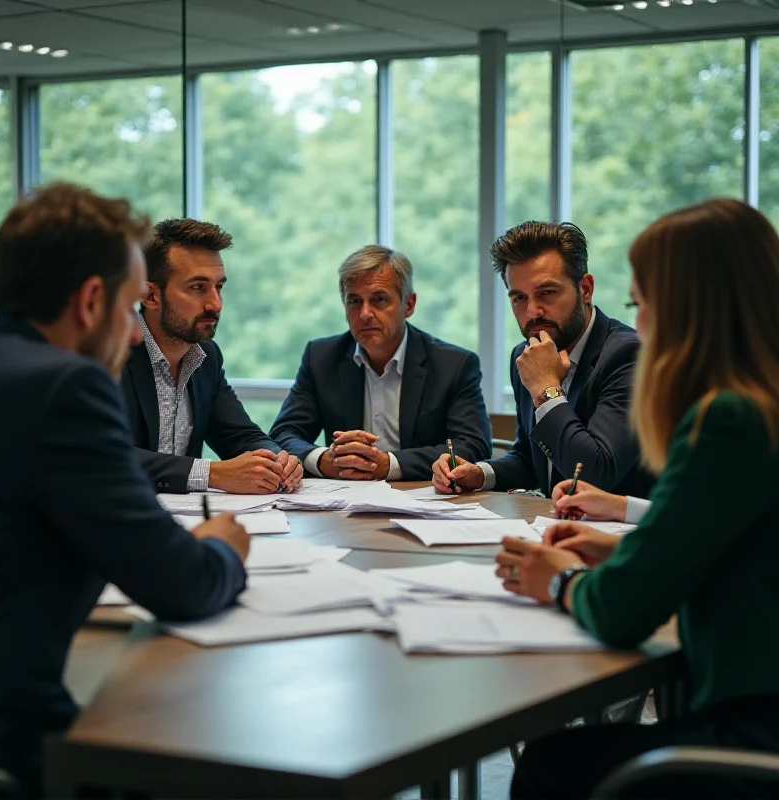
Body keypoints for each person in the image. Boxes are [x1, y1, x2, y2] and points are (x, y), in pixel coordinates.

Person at [495, 198, 779, 800]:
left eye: (642, 303)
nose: (641, 324)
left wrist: (557, 579)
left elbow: (624, 610)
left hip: (752, 732)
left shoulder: (728, 419)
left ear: (689, 309)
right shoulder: (764, 402)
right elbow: (729, 536)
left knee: (551, 765)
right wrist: (625, 539)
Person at [0, 184, 251, 795]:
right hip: (9, 744)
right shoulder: (66, 388)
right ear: (91, 301)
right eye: (132, 308)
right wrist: (223, 546)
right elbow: (182, 584)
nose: (134, 335)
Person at [432, 221, 653, 499]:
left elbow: (595, 474)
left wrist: (546, 389)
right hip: (552, 527)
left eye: (547, 293)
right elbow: (533, 459)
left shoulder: (629, 355)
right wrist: (479, 474)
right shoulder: (526, 355)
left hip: (617, 534)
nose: (532, 311)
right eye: (519, 298)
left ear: (585, 289)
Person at [270, 245, 492, 481]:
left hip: (422, 501)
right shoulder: (321, 358)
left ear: (409, 305)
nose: (365, 314)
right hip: (343, 503)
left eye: (379, 300)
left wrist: (389, 465)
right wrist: (324, 460)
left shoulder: (453, 365)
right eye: (354, 301)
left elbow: (473, 446)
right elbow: (283, 434)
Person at [122, 218, 302, 494]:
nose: (215, 304)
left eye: (219, 287)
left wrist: (276, 460)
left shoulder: (206, 356)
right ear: (150, 295)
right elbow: (105, 454)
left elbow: (239, 434)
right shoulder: (112, 353)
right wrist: (212, 473)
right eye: (197, 287)